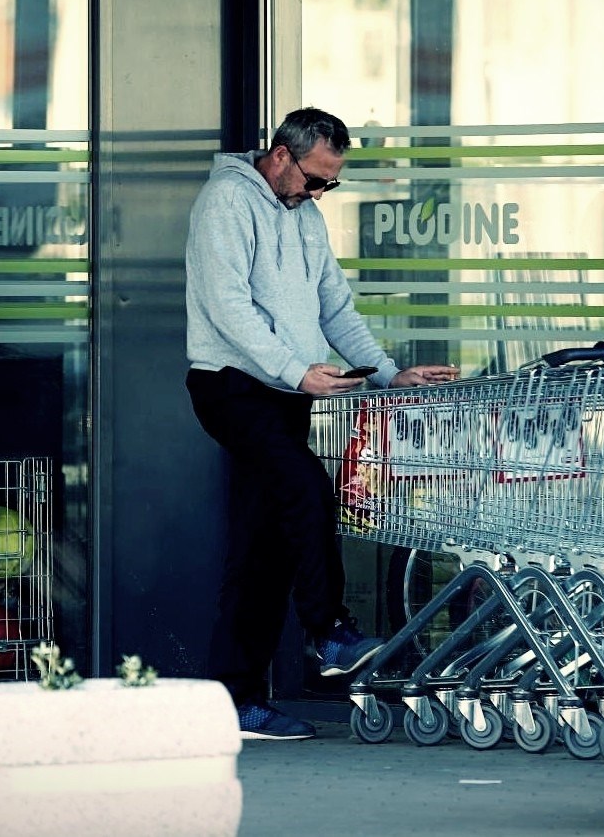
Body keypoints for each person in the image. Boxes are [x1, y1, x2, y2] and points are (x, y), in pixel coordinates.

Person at [184, 106, 459, 740]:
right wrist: (295, 368)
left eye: (330, 183)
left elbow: (335, 305)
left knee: (263, 550)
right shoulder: (226, 203)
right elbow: (227, 308)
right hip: (232, 386)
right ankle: (329, 631)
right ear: (281, 156)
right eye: (315, 179)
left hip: (285, 390)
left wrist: (387, 374)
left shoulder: (303, 216)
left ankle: (236, 703)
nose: (320, 193)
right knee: (306, 485)